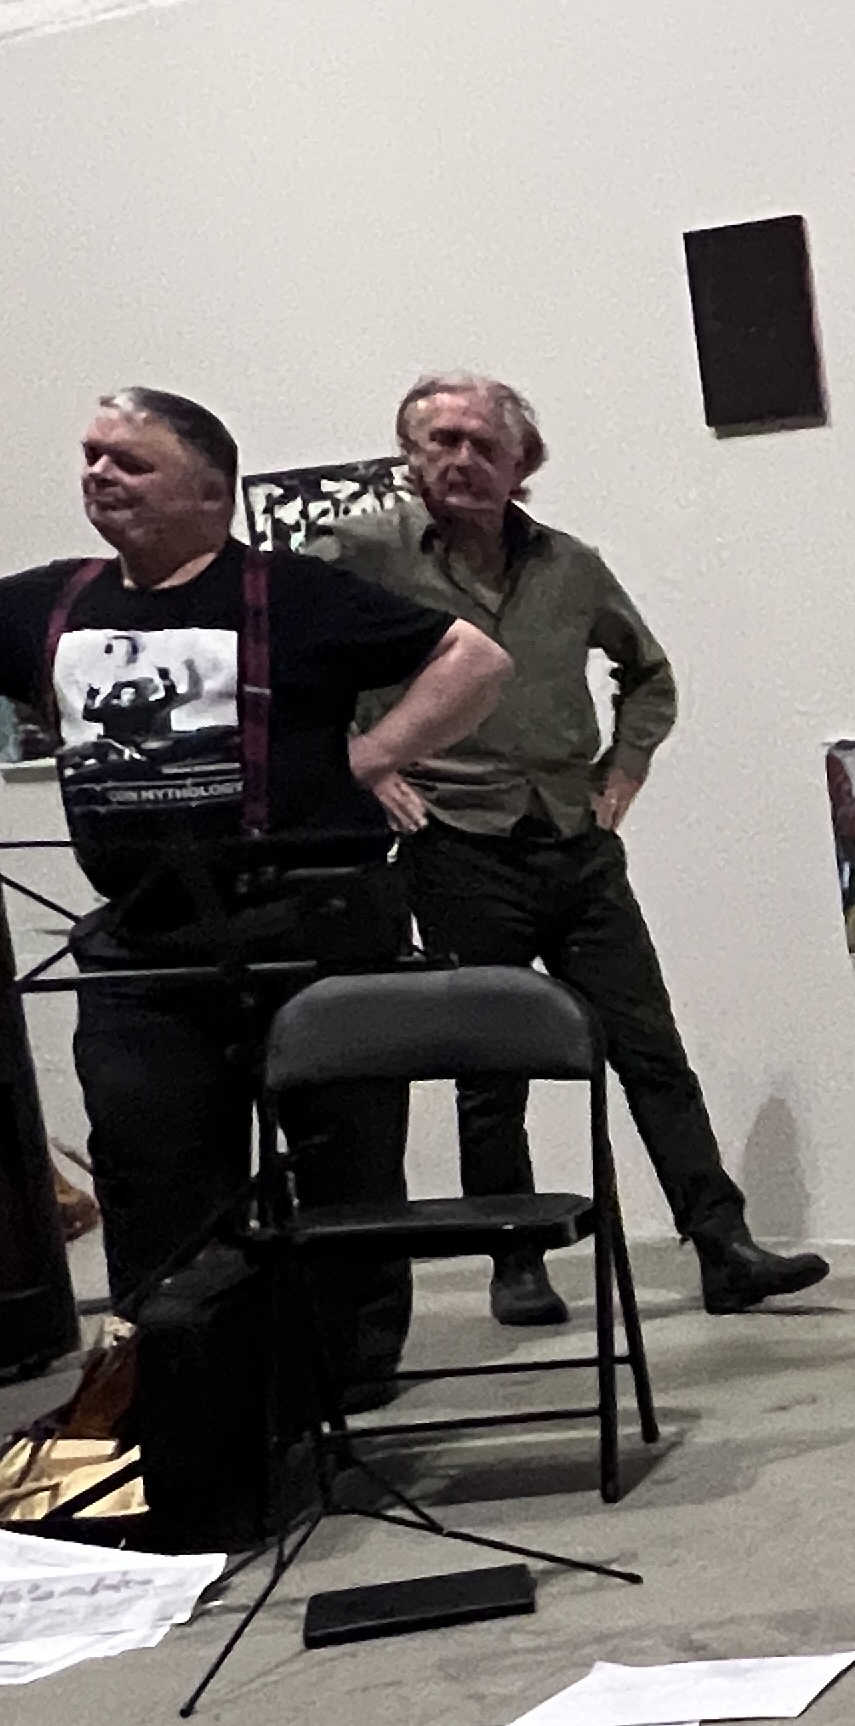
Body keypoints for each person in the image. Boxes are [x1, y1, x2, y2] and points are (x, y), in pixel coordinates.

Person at [0, 391, 511, 1402]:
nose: (99, 475)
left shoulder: (294, 594)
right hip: (143, 946)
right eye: (92, 457)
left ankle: (344, 1385)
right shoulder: (49, 602)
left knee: (344, 1168)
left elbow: (475, 660)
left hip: (305, 931)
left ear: (208, 490)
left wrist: (373, 754)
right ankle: (189, 1392)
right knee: (153, 1177)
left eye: (130, 463)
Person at [313, 373, 825, 1321]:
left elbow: (649, 673)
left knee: (651, 1049)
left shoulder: (572, 566)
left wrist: (625, 768)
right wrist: (365, 763)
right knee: (491, 1067)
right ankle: (515, 1261)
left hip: (572, 837)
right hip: (455, 838)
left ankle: (723, 1246)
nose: (462, 460)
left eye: (484, 444)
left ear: (523, 462)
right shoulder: (360, 553)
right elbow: (290, 663)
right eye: (441, 441)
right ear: (409, 455)